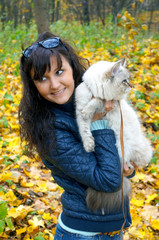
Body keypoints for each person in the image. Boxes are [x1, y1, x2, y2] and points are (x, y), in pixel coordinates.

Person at [19, 31, 137, 240]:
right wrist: (99, 122)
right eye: (42, 78)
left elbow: (118, 159)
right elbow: (109, 180)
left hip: (111, 229)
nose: (54, 84)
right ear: (34, 86)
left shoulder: (93, 98)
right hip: (83, 233)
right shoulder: (50, 130)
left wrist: (128, 167)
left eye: (59, 71)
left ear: (72, 68)